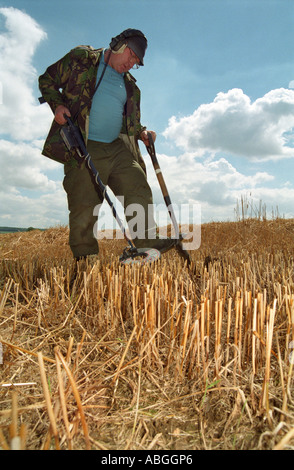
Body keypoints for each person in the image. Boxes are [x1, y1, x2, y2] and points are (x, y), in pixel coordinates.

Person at [39, 28, 176, 261]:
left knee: (137, 185)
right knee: (84, 203)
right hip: (83, 144)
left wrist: (143, 133)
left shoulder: (131, 86)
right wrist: (57, 105)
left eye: (136, 62)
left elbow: (130, 122)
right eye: (131, 55)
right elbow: (47, 80)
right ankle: (86, 257)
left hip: (116, 146)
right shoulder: (82, 58)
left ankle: (146, 243)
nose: (131, 64)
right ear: (118, 45)